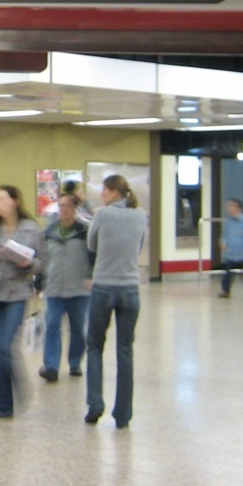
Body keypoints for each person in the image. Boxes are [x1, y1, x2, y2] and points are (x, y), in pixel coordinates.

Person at [85, 174, 146, 429]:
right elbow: (139, 247)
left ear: (113, 193)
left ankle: (95, 402)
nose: (101, 195)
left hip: (104, 286)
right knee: (125, 350)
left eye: (104, 191)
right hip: (130, 288)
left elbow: (91, 244)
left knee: (95, 345)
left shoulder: (102, 214)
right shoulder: (140, 215)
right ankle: (123, 413)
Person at [0, 184, 45, 418]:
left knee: (6, 347)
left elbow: (42, 263)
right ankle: (3, 404)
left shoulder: (31, 229)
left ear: (15, 201)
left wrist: (30, 264)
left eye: (1, 199)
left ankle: (18, 384)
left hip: (18, 293)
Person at [38, 192, 93, 381]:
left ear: (75, 209)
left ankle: (75, 362)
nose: (63, 210)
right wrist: (38, 283)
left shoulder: (85, 231)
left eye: (67, 206)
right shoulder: (49, 231)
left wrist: (91, 276)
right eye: (60, 206)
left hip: (79, 289)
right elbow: (43, 259)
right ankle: (51, 366)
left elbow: (94, 257)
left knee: (77, 328)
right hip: (54, 287)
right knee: (52, 325)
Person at [218, 198, 243, 297]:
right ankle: (225, 290)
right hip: (231, 252)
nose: (228, 208)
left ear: (238, 208)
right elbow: (225, 234)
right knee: (228, 272)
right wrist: (223, 242)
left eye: (231, 206)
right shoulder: (229, 222)